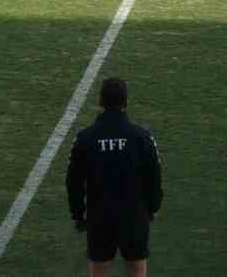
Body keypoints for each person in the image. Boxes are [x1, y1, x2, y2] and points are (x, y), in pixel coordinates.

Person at [65, 78, 163, 277]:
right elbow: (153, 178)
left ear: (100, 101)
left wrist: (78, 214)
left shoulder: (85, 138)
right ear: (125, 102)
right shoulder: (142, 138)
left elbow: (73, 182)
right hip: (134, 215)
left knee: (99, 269)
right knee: (136, 268)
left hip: (100, 216)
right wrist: (152, 208)